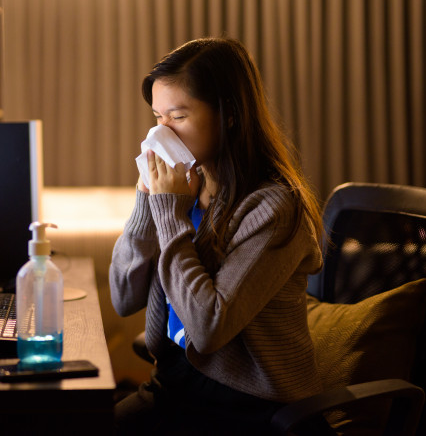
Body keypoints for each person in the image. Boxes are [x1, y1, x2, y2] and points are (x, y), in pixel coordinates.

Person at [110, 37, 324, 435]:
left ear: (229, 116)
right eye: (157, 118)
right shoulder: (187, 189)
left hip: (246, 404)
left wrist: (169, 214)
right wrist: (146, 200)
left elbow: (208, 329)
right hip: (176, 382)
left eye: (177, 116)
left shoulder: (273, 207)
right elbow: (124, 297)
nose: (161, 134)